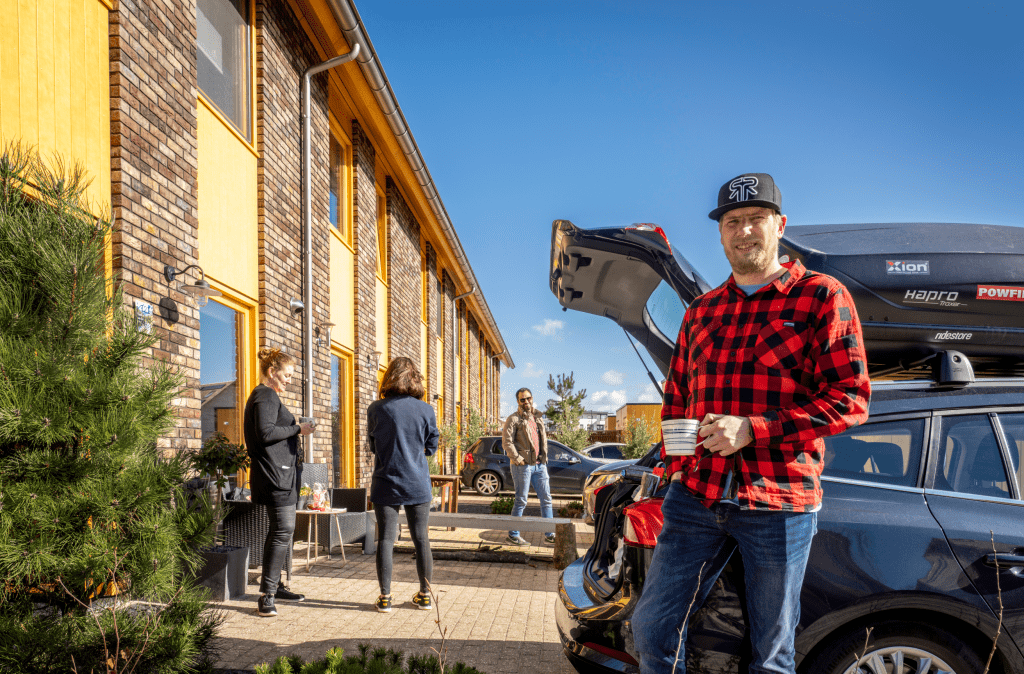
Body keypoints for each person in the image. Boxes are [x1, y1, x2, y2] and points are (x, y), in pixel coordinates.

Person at [633, 173, 871, 674]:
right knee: (652, 630)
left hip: (780, 500)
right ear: (720, 234)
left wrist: (753, 428)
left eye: (755, 220)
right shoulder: (701, 312)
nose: (743, 232)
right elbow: (676, 398)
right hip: (696, 496)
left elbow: (850, 399)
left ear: (779, 225)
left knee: (771, 653)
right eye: (732, 222)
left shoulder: (822, 297)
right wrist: (675, 464)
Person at [244, 347, 315, 618]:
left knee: (280, 531)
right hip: (276, 477)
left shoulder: (264, 396)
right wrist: (299, 428)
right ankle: (267, 596)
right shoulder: (266, 394)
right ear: (272, 372)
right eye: (286, 375)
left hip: (277, 475)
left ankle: (276, 586)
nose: (289, 380)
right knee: (283, 530)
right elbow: (265, 433)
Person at [367, 356, 439, 613]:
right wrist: (416, 451)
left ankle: (384, 598)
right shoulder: (426, 409)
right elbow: (432, 446)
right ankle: (425, 596)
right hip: (417, 482)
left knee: (386, 539)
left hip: (386, 481)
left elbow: (373, 446)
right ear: (414, 379)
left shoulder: (376, 408)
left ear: (390, 378)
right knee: (421, 539)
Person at [502, 388, 555, 546]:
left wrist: (544, 459)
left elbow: (542, 439)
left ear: (532, 398)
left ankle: (549, 534)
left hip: (540, 465)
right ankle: (513, 535)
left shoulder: (538, 417)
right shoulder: (513, 419)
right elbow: (506, 442)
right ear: (518, 402)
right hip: (522, 467)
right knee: (521, 500)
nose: (526, 402)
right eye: (522, 400)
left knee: (546, 499)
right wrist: (518, 459)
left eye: (528, 398)